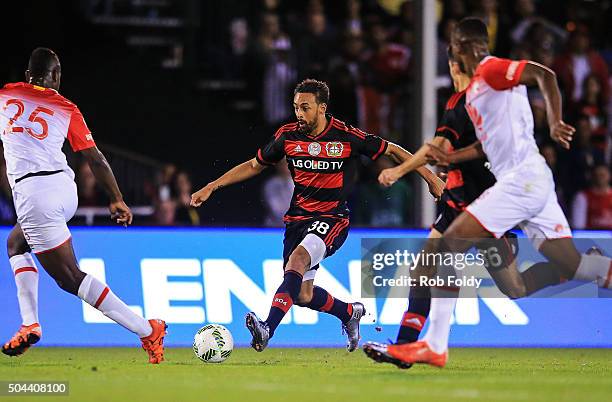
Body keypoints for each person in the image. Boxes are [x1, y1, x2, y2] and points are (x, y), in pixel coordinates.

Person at [384, 18, 612, 368]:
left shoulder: (491, 70)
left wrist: (553, 121)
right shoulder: (478, 89)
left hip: (519, 181)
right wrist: (452, 157)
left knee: (443, 248)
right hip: (532, 179)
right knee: (576, 263)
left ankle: (434, 345)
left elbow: (544, 75)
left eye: (455, 45)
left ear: (463, 48)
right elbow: (484, 146)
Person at [190, 79, 444, 352]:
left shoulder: (346, 136)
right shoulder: (287, 136)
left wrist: (429, 177)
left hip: (333, 218)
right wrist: (212, 186)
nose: (299, 113)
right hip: (297, 220)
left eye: (305, 108)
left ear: (322, 108)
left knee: (298, 260)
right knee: (301, 294)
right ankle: (349, 313)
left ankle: (267, 328)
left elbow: (392, 150)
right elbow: (254, 165)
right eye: (296, 107)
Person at [362, 45, 561, 369]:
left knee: (514, 286)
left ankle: (561, 271)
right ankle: (404, 346)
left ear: (456, 66)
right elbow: (441, 148)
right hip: (459, 202)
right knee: (425, 267)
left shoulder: (470, 102)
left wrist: (400, 170)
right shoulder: (472, 101)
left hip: (488, 205)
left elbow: (441, 148)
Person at [0, 48, 166, 364]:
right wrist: (116, 198)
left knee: (70, 278)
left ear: (26, 76)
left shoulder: (6, 95)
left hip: (35, 196)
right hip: (65, 188)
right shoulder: (66, 107)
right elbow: (96, 159)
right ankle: (29, 323)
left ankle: (147, 330)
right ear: (57, 77)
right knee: (16, 242)